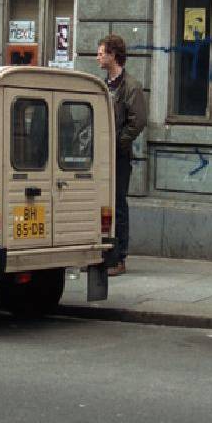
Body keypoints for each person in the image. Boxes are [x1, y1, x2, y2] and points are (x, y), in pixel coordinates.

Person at [96, 34, 146, 276]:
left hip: (118, 155)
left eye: (102, 52)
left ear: (113, 55)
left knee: (117, 205)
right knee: (101, 204)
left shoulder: (130, 86)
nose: (98, 56)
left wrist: (117, 143)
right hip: (99, 155)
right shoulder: (102, 85)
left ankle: (119, 258)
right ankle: (102, 256)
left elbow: (137, 122)